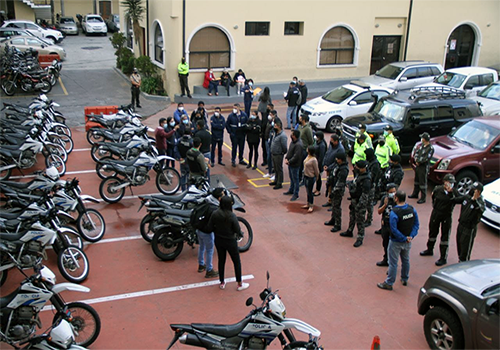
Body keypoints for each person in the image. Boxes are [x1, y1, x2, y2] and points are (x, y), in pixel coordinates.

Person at [377, 190, 419, 291]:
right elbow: (416, 224)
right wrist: (411, 236)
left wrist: (403, 238)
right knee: (406, 260)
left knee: (393, 263)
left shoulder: (394, 212)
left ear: (396, 199)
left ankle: (389, 282)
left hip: (396, 241)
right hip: (408, 241)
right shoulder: (412, 209)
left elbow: (393, 229)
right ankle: (404, 278)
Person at [206, 195, 249, 291]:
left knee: (221, 260)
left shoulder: (215, 214)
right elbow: (237, 229)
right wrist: (238, 234)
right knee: (236, 261)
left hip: (219, 240)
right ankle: (239, 283)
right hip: (230, 241)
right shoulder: (231, 215)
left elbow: (210, 227)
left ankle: (222, 282)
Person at [420, 174, 460, 266]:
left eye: (452, 183)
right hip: (436, 213)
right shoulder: (438, 189)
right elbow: (433, 199)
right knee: (432, 232)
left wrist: (450, 193)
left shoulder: (454, 192)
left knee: (445, 236)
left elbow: (457, 200)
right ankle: (429, 249)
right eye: (449, 182)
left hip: (446, 215)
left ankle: (443, 257)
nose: (450, 185)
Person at [341, 160, 371, 247]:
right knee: (352, 216)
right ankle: (350, 231)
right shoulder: (359, 175)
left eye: (357, 167)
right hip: (354, 199)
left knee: (360, 220)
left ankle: (360, 237)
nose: (355, 168)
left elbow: (365, 195)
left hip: (360, 202)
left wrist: (359, 205)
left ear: (362, 168)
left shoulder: (366, 180)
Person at [196, 188, 226, 278]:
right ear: (219, 198)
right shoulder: (214, 208)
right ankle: (209, 270)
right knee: (210, 250)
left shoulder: (206, 201)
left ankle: (201, 265)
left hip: (199, 229)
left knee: (202, 247)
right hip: (207, 232)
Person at [456, 182, 485, 262]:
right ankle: (460, 261)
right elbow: (456, 199)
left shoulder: (480, 202)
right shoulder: (467, 197)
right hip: (461, 225)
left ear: (478, 192)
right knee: (459, 245)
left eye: (474, 189)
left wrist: (474, 201)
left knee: (465, 250)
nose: (471, 190)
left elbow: (480, 210)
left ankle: (464, 264)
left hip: (469, 229)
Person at [324, 153, 349, 232]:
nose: (336, 160)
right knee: (334, 206)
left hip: (338, 190)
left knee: (337, 207)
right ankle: (333, 219)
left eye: (338, 159)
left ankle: (338, 224)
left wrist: (334, 191)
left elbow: (341, 182)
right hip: (334, 186)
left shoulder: (344, 169)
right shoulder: (338, 165)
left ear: (341, 160)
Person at [376, 183, 398, 267]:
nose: (393, 194)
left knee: (393, 245)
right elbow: (379, 211)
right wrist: (385, 205)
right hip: (385, 224)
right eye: (391, 192)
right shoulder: (384, 199)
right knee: (385, 243)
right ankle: (385, 259)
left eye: (394, 192)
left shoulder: (398, 199)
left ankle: (392, 263)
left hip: (394, 225)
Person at [409, 132, 434, 204]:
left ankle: (423, 198)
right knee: (416, 180)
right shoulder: (422, 146)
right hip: (418, 166)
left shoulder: (430, 148)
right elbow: (417, 153)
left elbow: (427, 158)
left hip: (423, 167)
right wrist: (416, 160)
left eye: (422, 138)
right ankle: (415, 194)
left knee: (422, 182)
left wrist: (420, 162)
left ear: (425, 139)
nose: (421, 139)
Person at [322, 134, 345, 207]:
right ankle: (330, 200)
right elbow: (327, 154)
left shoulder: (340, 149)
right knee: (329, 185)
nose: (330, 142)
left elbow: (337, 162)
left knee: (334, 186)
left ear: (336, 141)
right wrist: (324, 164)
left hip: (334, 170)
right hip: (328, 168)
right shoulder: (331, 146)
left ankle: (334, 203)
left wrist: (329, 167)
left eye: (332, 141)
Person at [284, 130, 303, 201]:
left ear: (295, 136)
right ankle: (291, 190)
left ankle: (296, 194)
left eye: (292, 134)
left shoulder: (298, 145)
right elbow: (290, 151)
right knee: (292, 178)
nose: (291, 135)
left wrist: (289, 161)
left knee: (295, 179)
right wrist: (286, 158)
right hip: (290, 163)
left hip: (295, 164)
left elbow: (296, 156)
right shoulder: (293, 142)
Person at [263, 110, 281, 179]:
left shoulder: (277, 121)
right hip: (269, 140)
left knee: (274, 160)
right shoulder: (269, 121)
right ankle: (269, 173)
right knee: (269, 158)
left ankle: (276, 175)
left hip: (274, 143)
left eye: (271, 114)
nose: (269, 116)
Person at [365, 148, 381, 227]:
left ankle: (369, 219)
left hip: (371, 186)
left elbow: (373, 177)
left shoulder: (375, 164)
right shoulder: (370, 162)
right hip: (368, 185)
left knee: (369, 204)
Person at [269, 121, 287, 190]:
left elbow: (284, 146)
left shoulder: (282, 136)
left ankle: (279, 183)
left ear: (279, 126)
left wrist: (282, 152)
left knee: (279, 169)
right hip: (274, 153)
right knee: (275, 168)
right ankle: (276, 180)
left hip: (278, 154)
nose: (274, 127)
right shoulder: (275, 134)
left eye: (276, 126)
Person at [302, 146, 320, 213]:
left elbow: (316, 169)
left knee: (310, 192)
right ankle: (308, 203)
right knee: (307, 191)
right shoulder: (308, 156)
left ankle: (311, 205)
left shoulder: (314, 160)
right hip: (306, 176)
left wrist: (317, 177)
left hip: (310, 177)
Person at [298, 114, 314, 184]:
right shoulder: (300, 127)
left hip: (304, 149)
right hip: (299, 148)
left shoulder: (307, 129)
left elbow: (311, 140)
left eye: (300, 118)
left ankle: (303, 180)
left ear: (303, 120)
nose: (299, 119)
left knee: (303, 166)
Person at [258, 99, 272, 166]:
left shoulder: (273, 120)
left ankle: (269, 162)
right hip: (264, 135)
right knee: (264, 148)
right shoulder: (265, 116)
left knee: (269, 150)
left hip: (269, 137)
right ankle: (265, 160)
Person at [313, 132, 327, 196]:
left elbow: (321, 157)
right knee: (317, 178)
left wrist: (318, 165)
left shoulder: (322, 145)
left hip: (319, 164)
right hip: (316, 162)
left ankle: (318, 190)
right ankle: (316, 189)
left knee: (318, 178)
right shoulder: (317, 143)